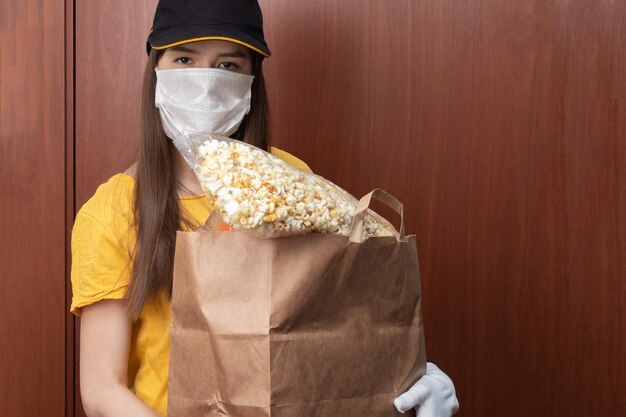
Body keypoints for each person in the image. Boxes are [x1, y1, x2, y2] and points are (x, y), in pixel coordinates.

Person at [70, 0, 460, 416]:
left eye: (228, 66)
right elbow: (101, 390)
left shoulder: (291, 180)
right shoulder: (114, 211)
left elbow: (332, 321)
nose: (205, 83)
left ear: (252, 80)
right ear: (156, 71)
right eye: (185, 59)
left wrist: (403, 379)